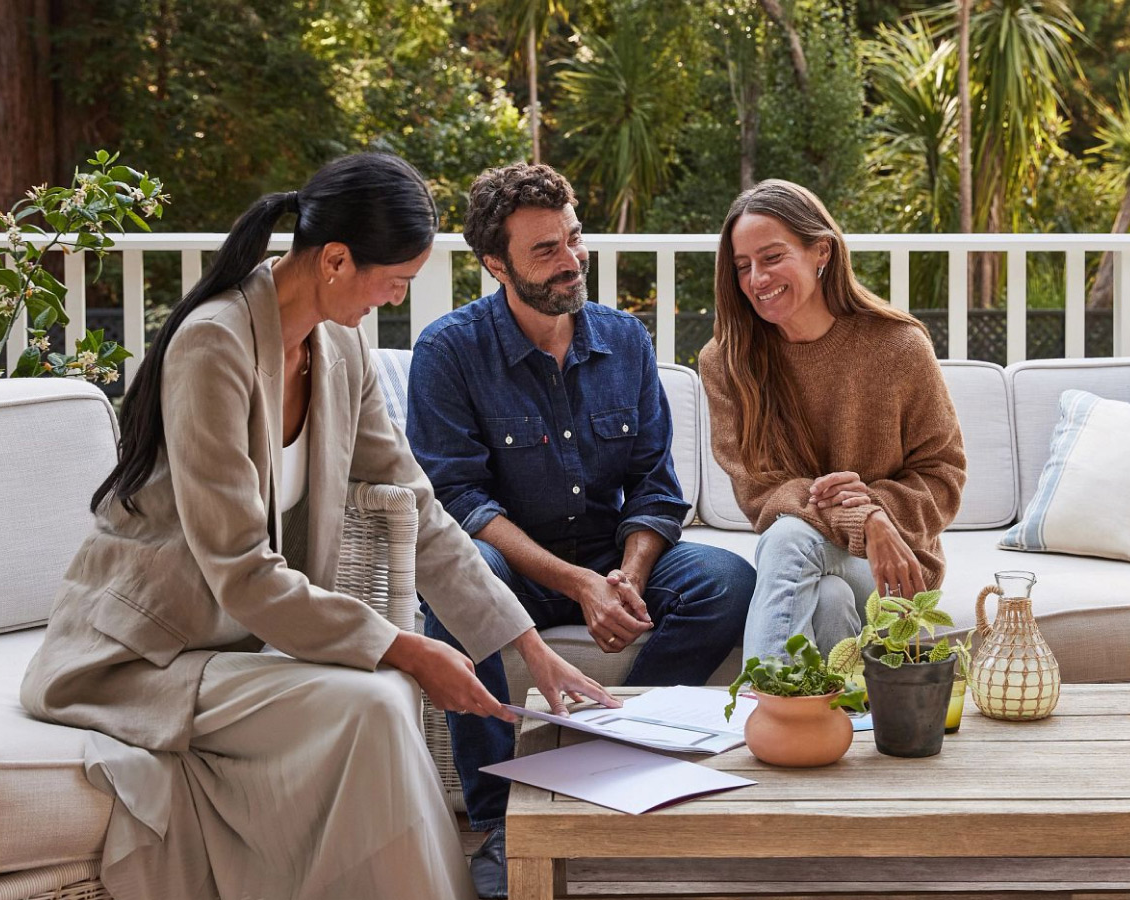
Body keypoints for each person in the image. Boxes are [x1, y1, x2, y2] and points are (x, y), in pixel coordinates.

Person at [20, 152, 616, 900]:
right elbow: (238, 569)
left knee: (386, 698)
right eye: (394, 280)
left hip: (231, 645)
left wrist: (525, 643)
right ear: (334, 259)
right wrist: (406, 646)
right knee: (374, 698)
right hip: (140, 654)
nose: (397, 298)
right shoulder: (214, 344)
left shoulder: (340, 349)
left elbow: (420, 507)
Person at [407, 162, 755, 898]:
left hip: (607, 554)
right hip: (514, 573)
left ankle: (622, 759)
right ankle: (503, 818)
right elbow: (458, 500)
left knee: (726, 580)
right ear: (494, 264)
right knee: (458, 583)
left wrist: (626, 574)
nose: (570, 261)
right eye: (545, 250)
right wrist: (574, 583)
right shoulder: (448, 352)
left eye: (574, 238)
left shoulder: (624, 339)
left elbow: (657, 484)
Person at [699, 179, 967, 665]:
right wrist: (862, 516)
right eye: (743, 267)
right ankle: (840, 722)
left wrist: (881, 514)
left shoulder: (897, 345)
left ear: (820, 251)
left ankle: (765, 711)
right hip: (811, 556)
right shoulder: (728, 361)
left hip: (895, 568)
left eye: (772, 257)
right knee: (829, 599)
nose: (757, 278)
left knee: (788, 537)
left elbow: (944, 476)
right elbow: (759, 491)